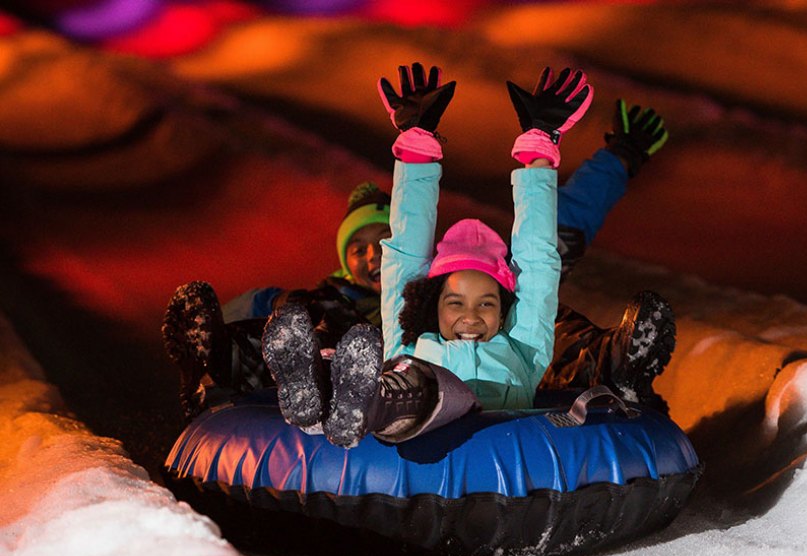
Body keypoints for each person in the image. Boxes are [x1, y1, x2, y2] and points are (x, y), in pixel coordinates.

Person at [162, 73, 674, 425]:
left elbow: (542, 255)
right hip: (391, 394)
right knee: (337, 345)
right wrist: (414, 147)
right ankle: (308, 389)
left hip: (467, 401)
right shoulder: (404, 336)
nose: (471, 314)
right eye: (456, 302)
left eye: (485, 302)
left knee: (563, 325)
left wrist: (543, 150)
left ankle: (619, 364)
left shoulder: (520, 345)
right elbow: (403, 253)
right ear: (431, 303)